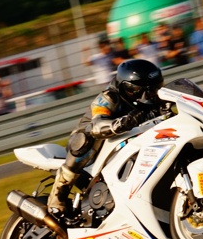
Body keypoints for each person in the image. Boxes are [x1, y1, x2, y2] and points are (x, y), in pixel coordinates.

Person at [47, 58, 164, 217]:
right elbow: (96, 125)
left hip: (130, 144)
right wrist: (122, 123)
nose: (147, 95)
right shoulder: (109, 97)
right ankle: (58, 196)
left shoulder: (157, 99)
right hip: (94, 144)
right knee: (84, 139)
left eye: (154, 88)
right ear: (125, 87)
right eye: (138, 90)